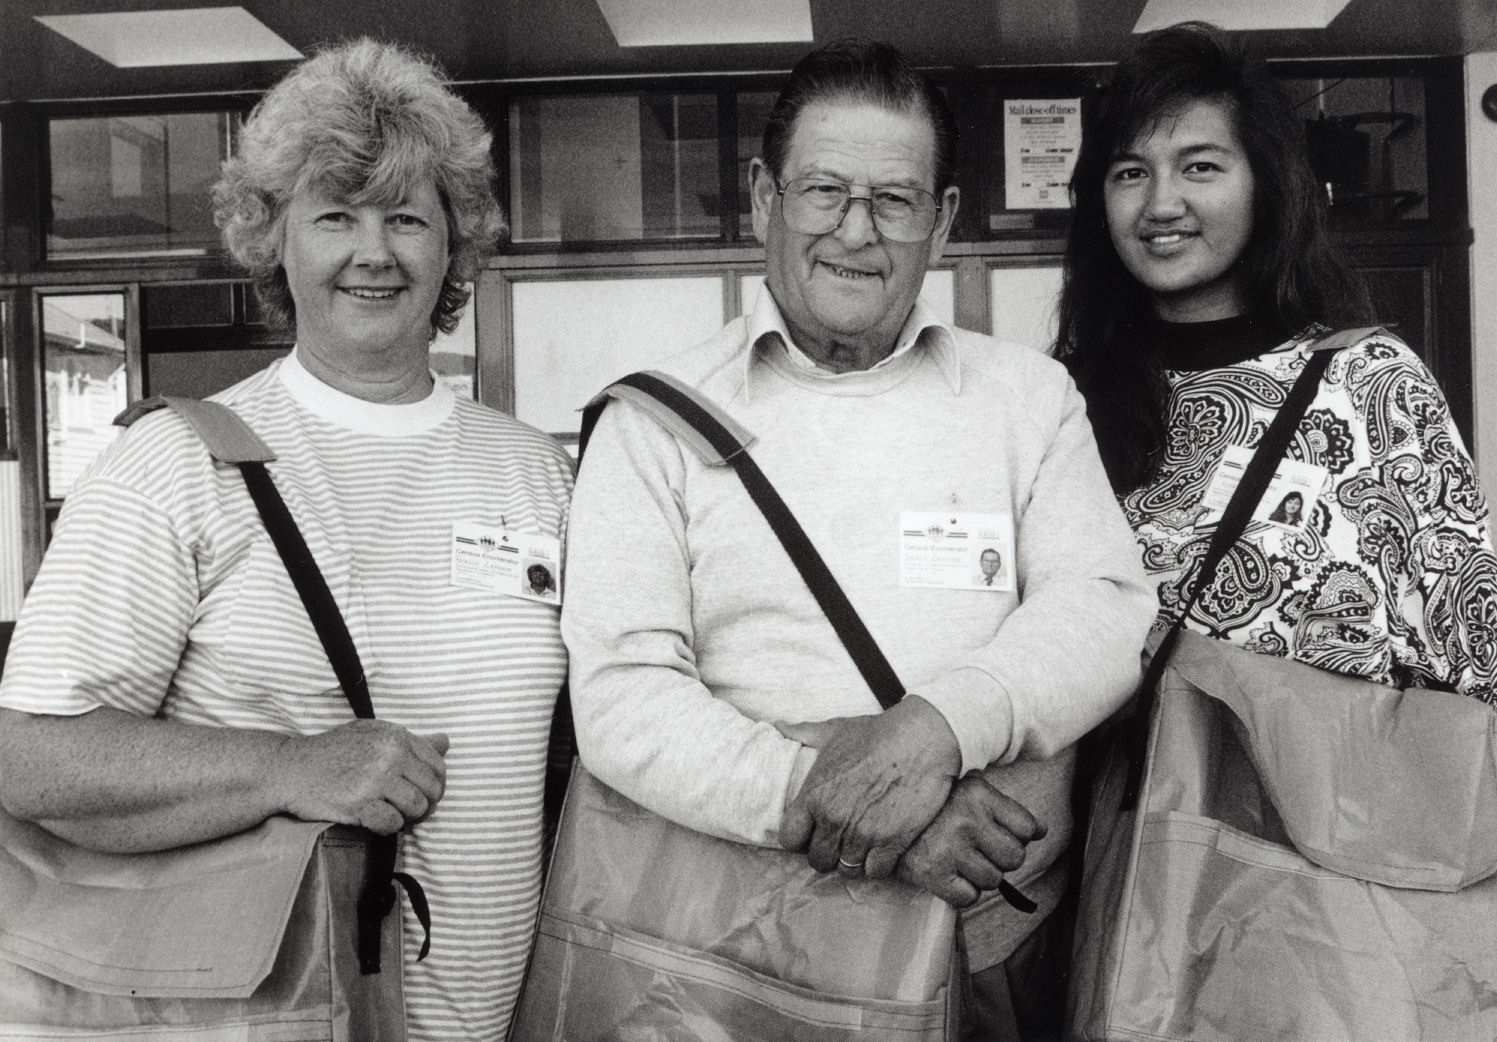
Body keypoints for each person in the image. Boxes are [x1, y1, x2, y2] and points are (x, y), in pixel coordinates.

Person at [563, 38, 1154, 1040]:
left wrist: (936, 730)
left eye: (894, 199)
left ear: (945, 219)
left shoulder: (1027, 398)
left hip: (995, 952)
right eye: (823, 191)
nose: (856, 231)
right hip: (742, 951)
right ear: (761, 197)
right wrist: (880, 811)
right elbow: (623, 699)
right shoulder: (652, 423)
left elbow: (1104, 610)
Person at [0, 40, 573, 1041]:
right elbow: (30, 760)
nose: (373, 250)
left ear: (453, 245)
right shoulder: (175, 466)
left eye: (406, 215)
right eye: (335, 215)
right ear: (274, 240)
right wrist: (289, 768)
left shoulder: (538, 473)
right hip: (252, 1017)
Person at [1056, 21, 1495, 730]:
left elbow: (1473, 637)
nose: (1160, 203)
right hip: (1121, 821)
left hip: (1332, 822)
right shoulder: (1058, 400)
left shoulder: (1370, 380)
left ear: (1267, 185)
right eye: (1129, 171)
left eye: (1200, 167)